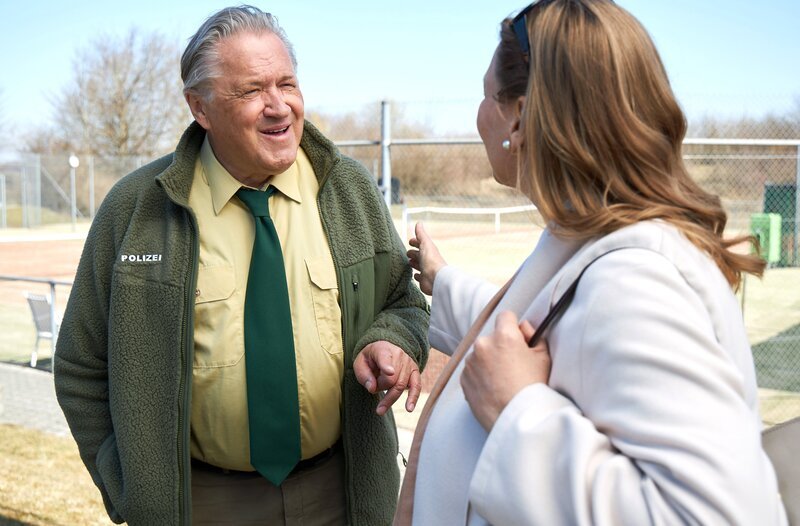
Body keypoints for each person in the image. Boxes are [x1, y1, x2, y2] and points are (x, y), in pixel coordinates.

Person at [403, 1, 788, 524]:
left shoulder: (636, 278)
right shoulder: (592, 242)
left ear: (518, 115)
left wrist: (516, 412)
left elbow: (718, 515)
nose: (480, 114)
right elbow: (551, 333)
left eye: (487, 95)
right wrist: (441, 280)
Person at [54, 6, 429, 526]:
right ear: (200, 108)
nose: (279, 107)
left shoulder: (349, 191)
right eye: (252, 91)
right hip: (200, 505)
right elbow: (79, 364)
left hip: (340, 495)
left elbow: (403, 302)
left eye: (287, 84)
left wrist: (393, 341)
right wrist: (131, 489)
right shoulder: (135, 210)